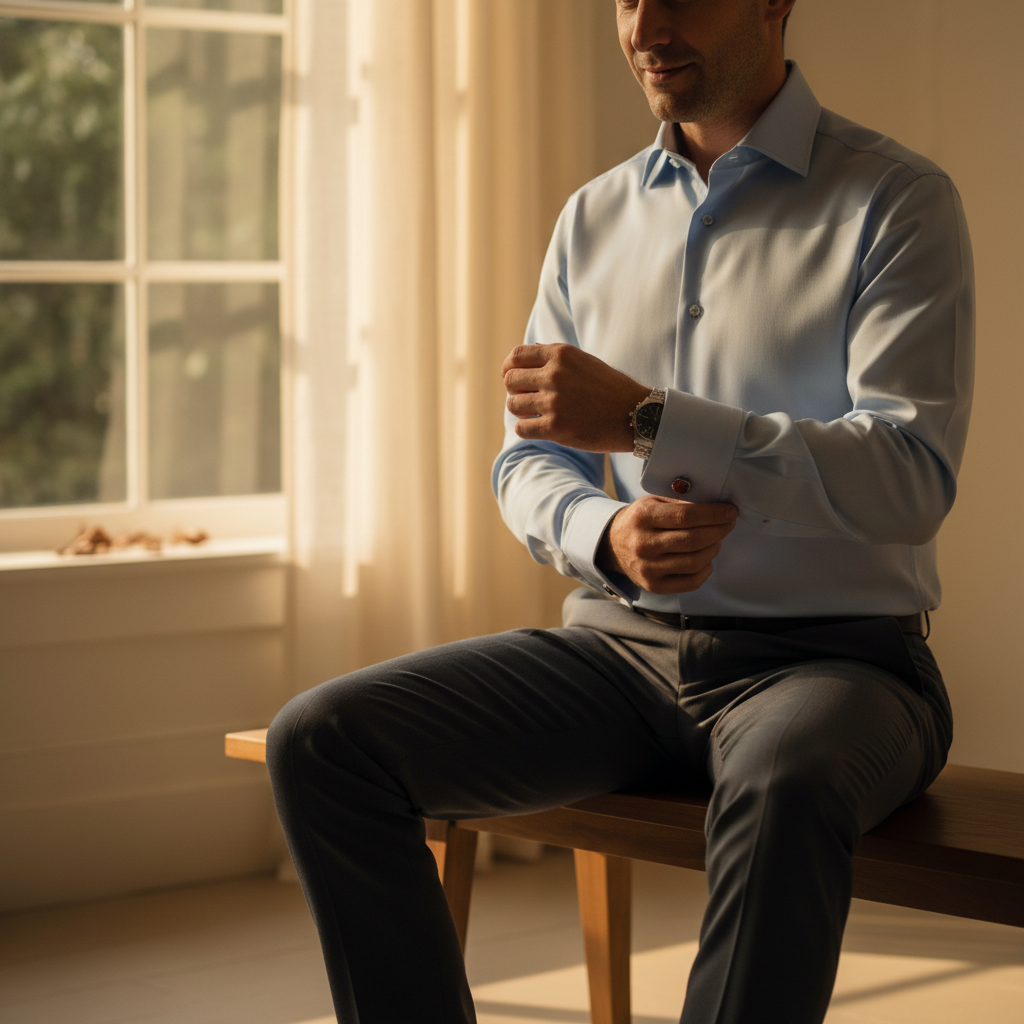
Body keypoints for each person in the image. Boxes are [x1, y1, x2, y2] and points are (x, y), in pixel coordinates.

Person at [267, 1, 974, 1021]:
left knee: (783, 785)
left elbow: (910, 475)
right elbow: (527, 461)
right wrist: (606, 535)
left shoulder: (896, 202)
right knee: (321, 740)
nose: (646, 25)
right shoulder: (591, 218)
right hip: (614, 657)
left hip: (840, 664)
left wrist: (650, 421)